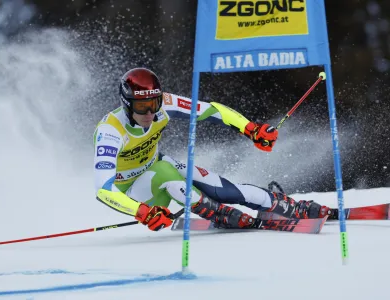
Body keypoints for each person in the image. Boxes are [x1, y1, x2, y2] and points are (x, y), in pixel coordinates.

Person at [94, 68, 332, 231]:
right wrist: (142, 211)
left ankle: (286, 205)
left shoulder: (164, 104)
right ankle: (221, 215)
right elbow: (104, 191)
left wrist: (250, 129)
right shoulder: (111, 131)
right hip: (135, 192)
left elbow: (211, 110)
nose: (149, 113)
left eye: (153, 104)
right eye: (141, 107)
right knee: (171, 178)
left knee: (221, 188)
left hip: (158, 166)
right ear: (126, 104)